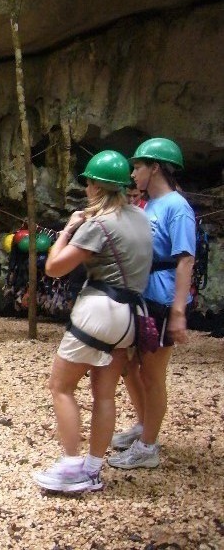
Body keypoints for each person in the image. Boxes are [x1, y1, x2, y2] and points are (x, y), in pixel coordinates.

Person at [33, 150, 152, 493]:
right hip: (131, 315)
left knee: (61, 386)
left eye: (88, 183)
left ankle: (72, 467)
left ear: (97, 186)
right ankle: (93, 469)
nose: (86, 188)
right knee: (104, 393)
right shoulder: (140, 219)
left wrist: (68, 230)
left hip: (100, 311)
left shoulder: (99, 225)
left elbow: (54, 268)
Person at [108, 137, 196, 470]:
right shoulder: (151, 205)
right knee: (132, 367)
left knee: (152, 373)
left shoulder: (177, 206)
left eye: (137, 166)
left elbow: (185, 259)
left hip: (161, 299)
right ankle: (145, 426)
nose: (132, 174)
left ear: (154, 167)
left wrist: (178, 312)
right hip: (143, 295)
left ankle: (148, 448)